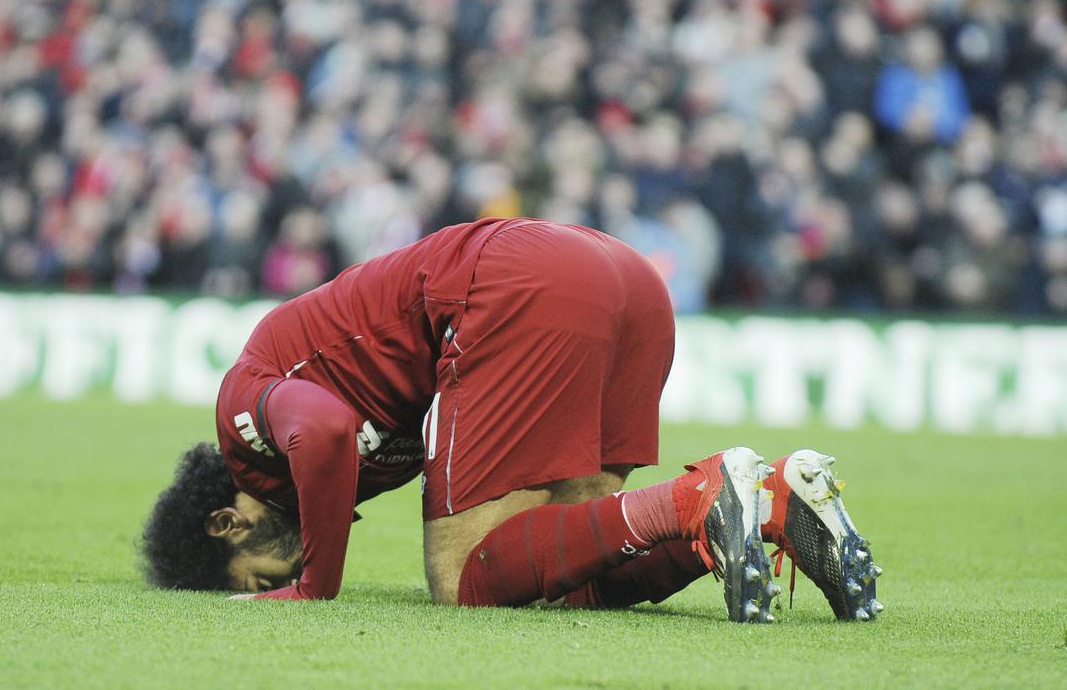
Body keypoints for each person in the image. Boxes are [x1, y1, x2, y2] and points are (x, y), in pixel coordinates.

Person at [142, 218, 882, 622]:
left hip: (516, 282)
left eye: (258, 578)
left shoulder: (244, 410)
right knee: (564, 570)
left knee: (463, 577)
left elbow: (326, 432)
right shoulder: (324, 475)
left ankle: (701, 494)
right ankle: (760, 504)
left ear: (227, 524)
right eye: (282, 581)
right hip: (618, 277)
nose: (285, 574)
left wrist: (315, 590)